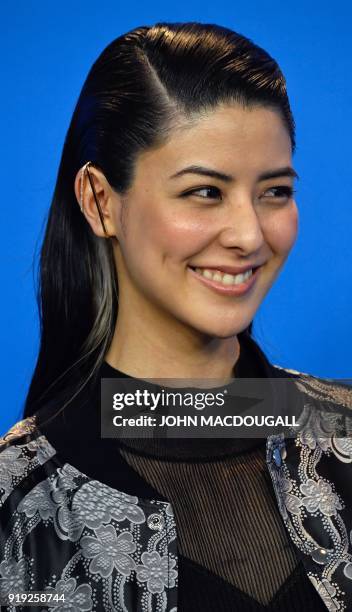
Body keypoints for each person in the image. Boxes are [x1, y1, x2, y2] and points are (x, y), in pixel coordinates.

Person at [0, 21, 351, 612]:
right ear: (99, 201)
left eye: (274, 191)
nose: (249, 235)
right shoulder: (18, 499)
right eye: (205, 192)